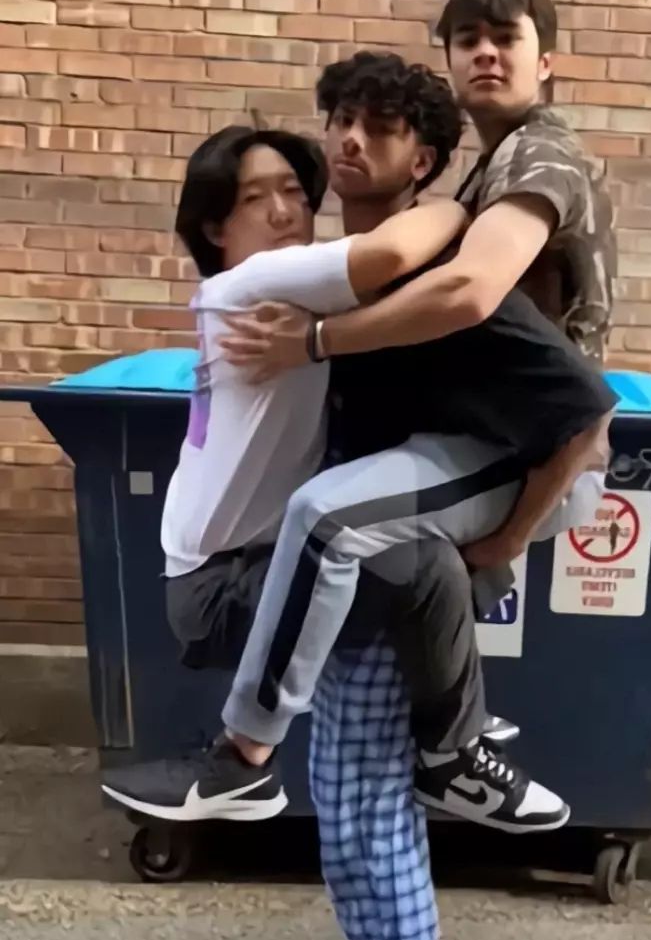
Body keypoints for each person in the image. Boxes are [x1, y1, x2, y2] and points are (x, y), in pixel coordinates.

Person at [101, 51, 614, 837]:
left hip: (490, 494)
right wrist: (466, 214)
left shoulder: (414, 288)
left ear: (423, 161)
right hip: (232, 579)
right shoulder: (267, 287)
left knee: (352, 529)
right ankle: (445, 748)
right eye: (340, 121)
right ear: (215, 227)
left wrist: (506, 544)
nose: (347, 142)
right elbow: (388, 258)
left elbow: (584, 408)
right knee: (388, 550)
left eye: (377, 129)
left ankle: (272, 756)